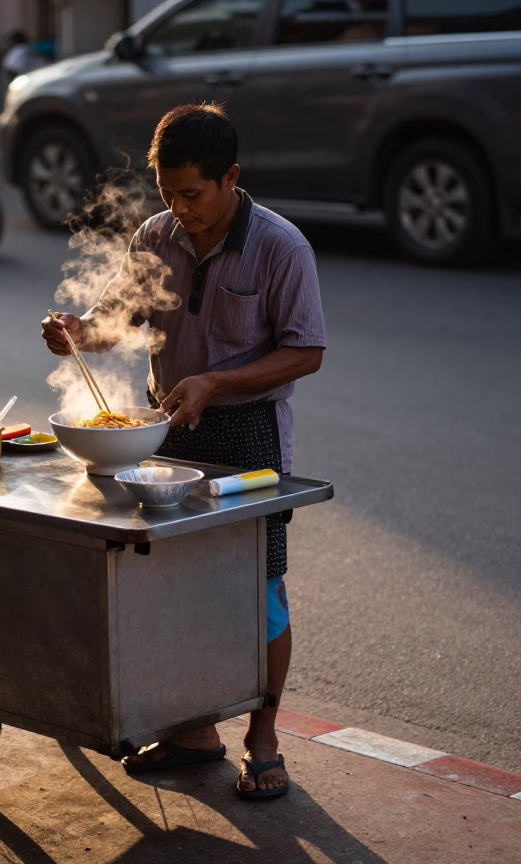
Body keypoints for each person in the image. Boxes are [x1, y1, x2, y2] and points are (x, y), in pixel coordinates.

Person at [40, 104, 326, 800]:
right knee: (173, 583)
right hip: (168, 430)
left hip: (247, 434)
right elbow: (118, 321)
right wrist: (78, 331)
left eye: (192, 195)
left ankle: (264, 738)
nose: (179, 209)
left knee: (259, 591)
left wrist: (215, 382)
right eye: (168, 193)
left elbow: (307, 352)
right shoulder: (157, 234)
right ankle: (196, 729)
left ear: (230, 178)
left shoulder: (281, 247)